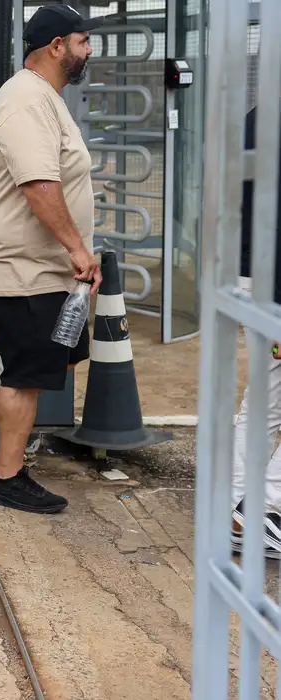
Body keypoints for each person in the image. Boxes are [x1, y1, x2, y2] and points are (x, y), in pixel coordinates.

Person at [0, 4, 102, 515]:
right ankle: (6, 477)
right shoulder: (24, 99)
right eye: (83, 41)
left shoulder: (44, 98)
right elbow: (39, 185)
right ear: (57, 46)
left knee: (46, 360)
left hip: (41, 267)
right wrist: (79, 250)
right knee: (25, 374)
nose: (88, 51)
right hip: (17, 267)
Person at [231, 104, 281, 557]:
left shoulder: (256, 113)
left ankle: (235, 509)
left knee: (263, 403)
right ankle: (263, 509)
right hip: (274, 284)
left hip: (252, 276)